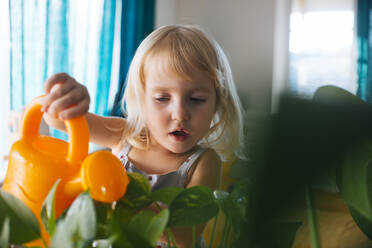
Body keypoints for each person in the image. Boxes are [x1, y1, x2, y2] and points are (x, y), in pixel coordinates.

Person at [40, 24, 245, 248]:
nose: (179, 114)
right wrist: (69, 100)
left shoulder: (203, 162)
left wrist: (120, 198)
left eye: (196, 99)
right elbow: (61, 121)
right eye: (161, 98)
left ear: (217, 103)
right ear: (142, 100)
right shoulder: (124, 135)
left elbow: (184, 238)